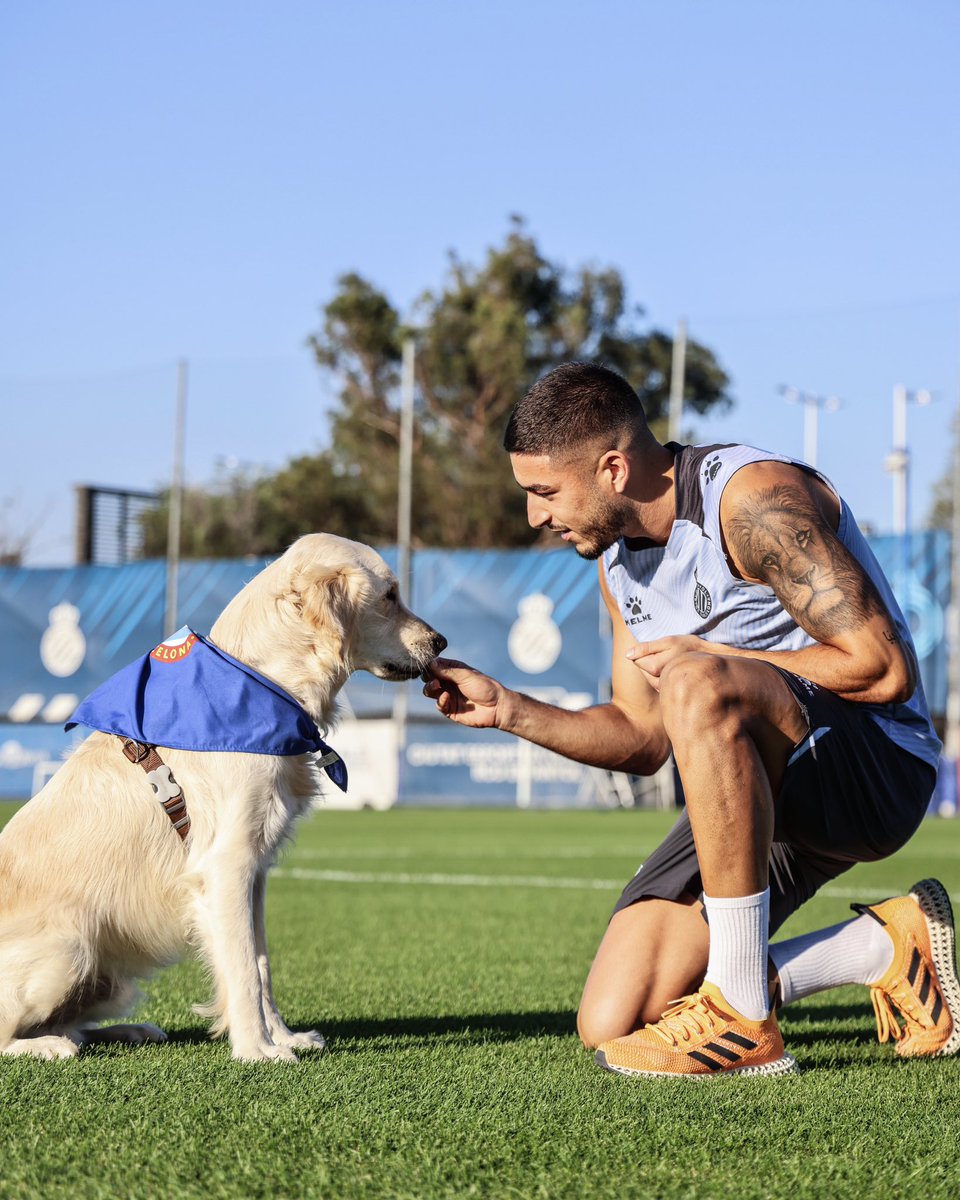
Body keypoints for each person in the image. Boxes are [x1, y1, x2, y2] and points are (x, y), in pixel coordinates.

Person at [422, 360, 959, 1079]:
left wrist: (713, 660)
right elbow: (644, 740)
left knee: (698, 679)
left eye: (544, 492)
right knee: (616, 1019)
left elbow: (883, 668)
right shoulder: (614, 562)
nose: (535, 516)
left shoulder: (752, 499)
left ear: (612, 467)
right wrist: (510, 710)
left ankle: (743, 1012)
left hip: (872, 770)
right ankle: (882, 948)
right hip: (759, 787)